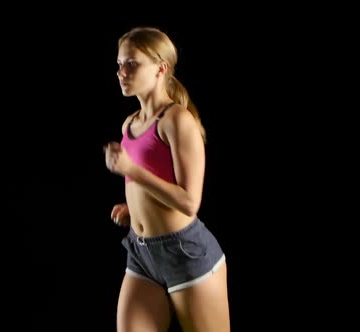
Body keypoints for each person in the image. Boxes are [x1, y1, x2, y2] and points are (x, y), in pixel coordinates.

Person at [103, 26, 230, 332]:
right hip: (142, 252)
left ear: (160, 68)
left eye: (132, 63)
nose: (122, 72)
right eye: (119, 64)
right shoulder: (130, 124)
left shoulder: (176, 121)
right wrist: (135, 207)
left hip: (184, 253)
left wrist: (131, 171)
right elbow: (152, 182)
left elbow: (189, 202)